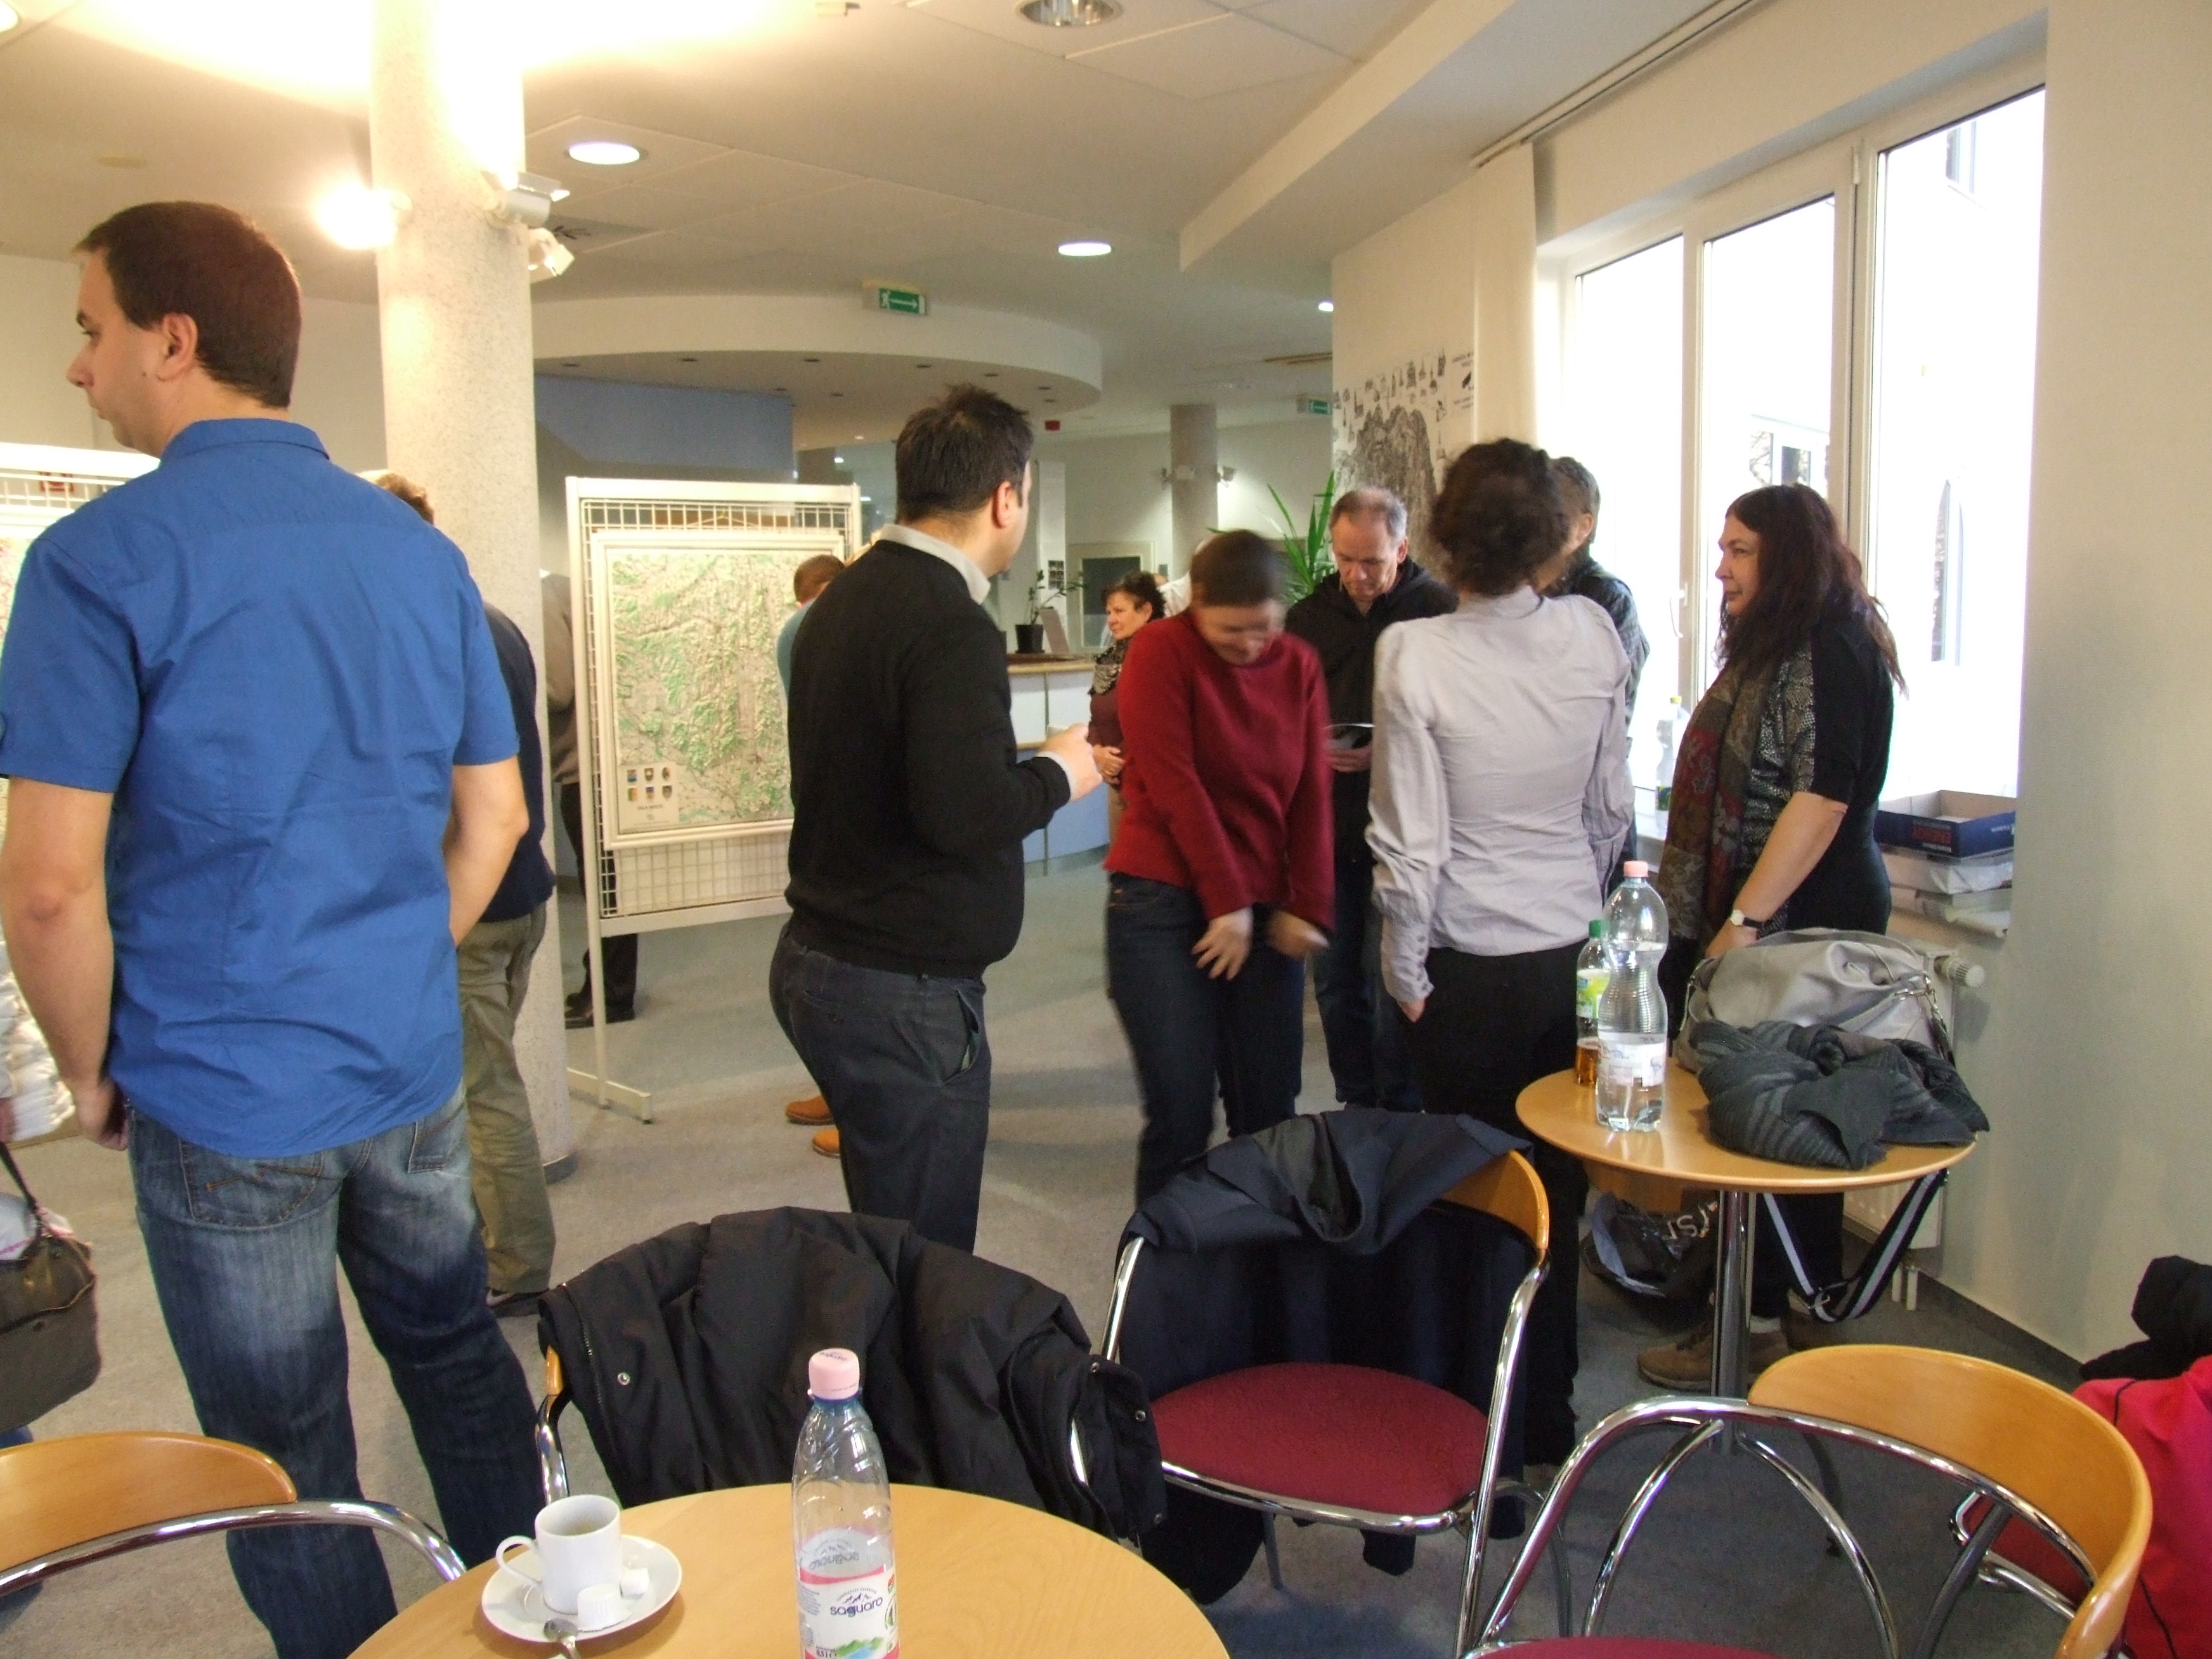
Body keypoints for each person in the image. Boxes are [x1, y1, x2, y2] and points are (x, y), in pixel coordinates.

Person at [0, 202, 538, 1658]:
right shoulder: (418, 555)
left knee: (282, 1437)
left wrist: (90, 1066)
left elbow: (46, 886)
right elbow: (494, 818)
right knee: (456, 1355)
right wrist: (401, 962)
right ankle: (538, 1622)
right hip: (407, 1062)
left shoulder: (96, 562)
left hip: (221, 1088)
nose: (79, 366)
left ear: (173, 340)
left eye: (91, 329)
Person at [771, 385, 1102, 1252]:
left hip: (823, 959)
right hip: (900, 993)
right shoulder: (950, 623)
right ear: (1006, 497)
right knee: (926, 1254)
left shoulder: (837, 602)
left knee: (886, 1226)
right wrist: (1062, 772)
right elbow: (966, 813)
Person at [1368, 439, 1632, 1465]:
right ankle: (1547, 1418)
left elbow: (1410, 846)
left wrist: (1404, 973)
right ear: (1549, 537)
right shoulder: (1592, 634)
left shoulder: (1415, 653)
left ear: (1444, 536)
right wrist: (1579, 905)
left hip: (1466, 964)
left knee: (1478, 1196)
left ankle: (1482, 1422)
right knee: (1556, 1193)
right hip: (1568, 956)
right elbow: (1608, 809)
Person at [1639, 482, 1903, 1388]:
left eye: (1739, 550)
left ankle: (1768, 1327)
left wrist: (1743, 922)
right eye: (1723, 548)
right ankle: (1767, 1318)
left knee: (1781, 1125)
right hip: (1774, 913)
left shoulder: (1829, 647)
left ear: (1786, 557)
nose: (1720, 567)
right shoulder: (1784, 644)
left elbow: (1821, 799)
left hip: (1803, 921)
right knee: (1765, 1123)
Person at [368, 471, 557, 1317]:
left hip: (470, 903)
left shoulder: (423, 631)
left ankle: (515, 1265)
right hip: (520, 896)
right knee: (485, 1080)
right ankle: (496, 1242)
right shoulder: (493, 619)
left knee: (484, 1093)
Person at [1105, 530, 1334, 1204]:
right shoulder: (1159, 650)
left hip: (1261, 902)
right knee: (1180, 1114)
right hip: (1161, 898)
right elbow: (1174, 781)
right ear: (1197, 603)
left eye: (1264, 627)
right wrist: (1225, 900)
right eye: (1232, 630)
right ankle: (1161, 1263)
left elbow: (1311, 789)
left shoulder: (1298, 663)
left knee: (1269, 1111)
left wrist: (1309, 902)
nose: (1251, 645)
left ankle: (1257, 1259)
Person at [1285, 486, 1456, 1112]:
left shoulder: (1436, 613)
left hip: (1404, 833)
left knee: (1392, 983)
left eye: (1372, 562)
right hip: (1328, 827)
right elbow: (1280, 713)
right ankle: (1356, 1105)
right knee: (1334, 983)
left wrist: (1387, 747)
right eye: (1345, 559)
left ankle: (1399, 1110)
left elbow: (1457, 723)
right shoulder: (1308, 619)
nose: (1356, 575)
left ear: (1402, 550)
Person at [543, 570, 639, 1027]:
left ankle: (609, 996)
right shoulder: (569, 590)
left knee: (602, 891)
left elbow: (556, 689)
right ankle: (603, 988)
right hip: (602, 763)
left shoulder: (545, 595)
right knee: (608, 889)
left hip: (586, 769)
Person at [775, 552, 847, 1152]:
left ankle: (850, 1095)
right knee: (843, 964)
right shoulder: (814, 628)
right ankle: (851, 1095)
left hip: (831, 813)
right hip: (842, 814)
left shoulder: (801, 630)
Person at [1546, 457, 1651, 716]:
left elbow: (1609, 702)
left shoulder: (1610, 597)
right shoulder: (1522, 587)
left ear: (1584, 527)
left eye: (1553, 516)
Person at [1088, 568, 1163, 838]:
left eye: (1119, 611)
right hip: (1117, 780)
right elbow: (1096, 715)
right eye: (1109, 612)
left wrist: (1117, 760)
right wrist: (1097, 750)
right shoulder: (1110, 657)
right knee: (1120, 859)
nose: (1111, 620)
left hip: (1151, 783)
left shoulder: (1162, 655)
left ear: (1146, 611)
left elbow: (1157, 722)